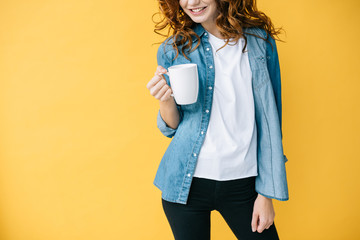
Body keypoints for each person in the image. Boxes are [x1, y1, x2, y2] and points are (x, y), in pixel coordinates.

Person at [146, 0, 289, 239]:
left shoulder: (259, 42)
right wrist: (165, 99)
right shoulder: (174, 48)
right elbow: (173, 127)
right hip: (185, 184)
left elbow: (272, 119)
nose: (192, 2)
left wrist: (266, 194)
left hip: (243, 184)